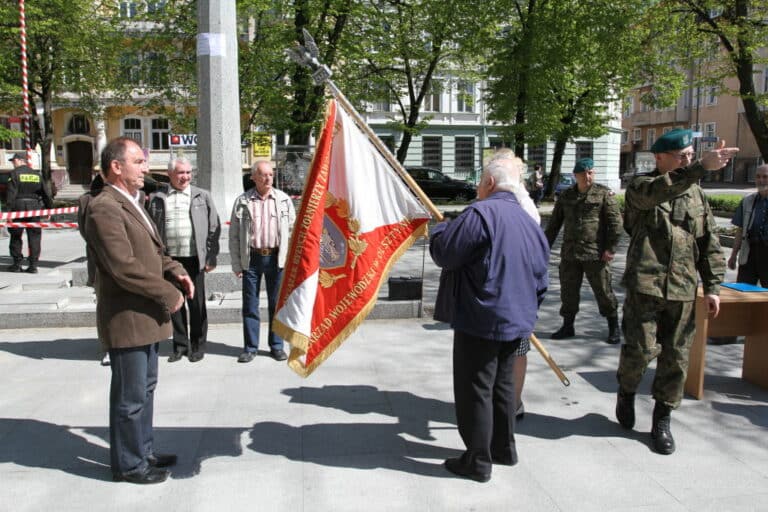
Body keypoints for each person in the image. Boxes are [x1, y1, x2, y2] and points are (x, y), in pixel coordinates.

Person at [430, 152, 549, 482]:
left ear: (489, 182)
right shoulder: (529, 220)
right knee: (503, 386)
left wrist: (440, 229)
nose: (478, 189)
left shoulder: (480, 213)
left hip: (481, 318)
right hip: (517, 319)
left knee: (476, 389)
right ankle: (503, 449)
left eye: (480, 183)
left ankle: (478, 461)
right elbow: (542, 277)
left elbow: (446, 253)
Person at [616, 129, 736, 455]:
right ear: (660, 158)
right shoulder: (641, 187)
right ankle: (626, 390)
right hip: (645, 286)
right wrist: (699, 167)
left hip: (682, 288)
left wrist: (712, 287)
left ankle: (662, 418)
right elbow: (658, 192)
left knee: (676, 358)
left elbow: (709, 244)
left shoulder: (697, 196)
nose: (689, 159)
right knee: (640, 351)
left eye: (691, 154)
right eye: (682, 155)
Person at [85, 137, 194, 484]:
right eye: (138, 161)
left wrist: (175, 269)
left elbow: (151, 251)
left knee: (145, 388)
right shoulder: (105, 206)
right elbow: (123, 266)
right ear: (116, 167)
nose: (146, 167)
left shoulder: (132, 200)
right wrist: (167, 293)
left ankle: (143, 450)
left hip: (144, 315)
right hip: (127, 316)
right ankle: (129, 465)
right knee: (130, 398)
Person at [148, 157, 220, 363]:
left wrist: (211, 255)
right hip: (170, 260)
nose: (185, 177)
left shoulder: (202, 196)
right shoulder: (157, 198)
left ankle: (198, 345)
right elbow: (151, 229)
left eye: (188, 172)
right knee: (175, 303)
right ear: (170, 174)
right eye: (181, 173)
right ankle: (180, 345)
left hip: (194, 259)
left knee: (196, 304)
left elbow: (214, 227)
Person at [544, 158, 623, 344]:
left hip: (595, 253)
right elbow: (554, 225)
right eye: (584, 173)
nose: (588, 176)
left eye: (591, 172)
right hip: (570, 253)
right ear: (575, 175)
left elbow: (616, 223)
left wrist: (611, 248)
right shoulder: (566, 196)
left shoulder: (603, 193)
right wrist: (543, 248)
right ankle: (567, 325)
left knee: (603, 291)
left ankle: (613, 326)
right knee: (568, 291)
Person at [229, 160, 296, 363]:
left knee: (277, 305)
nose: (268, 178)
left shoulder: (283, 200)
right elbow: (233, 236)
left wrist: (292, 261)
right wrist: (236, 264)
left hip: (277, 259)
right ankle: (250, 347)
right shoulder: (242, 201)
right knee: (250, 305)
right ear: (254, 177)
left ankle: (276, 346)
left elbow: (293, 232)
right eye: (263, 175)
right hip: (252, 258)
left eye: (270, 174)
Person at [77, 173, 110, 366]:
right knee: (104, 307)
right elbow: (85, 232)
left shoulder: (136, 196)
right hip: (99, 264)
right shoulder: (86, 201)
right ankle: (107, 347)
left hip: (129, 262)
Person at [6, 152, 53, 273]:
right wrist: (49, 209)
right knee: (35, 236)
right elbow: (46, 193)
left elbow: (11, 194)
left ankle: (16, 264)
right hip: (34, 207)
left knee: (16, 235)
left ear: (21, 160)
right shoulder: (36, 174)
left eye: (14, 161)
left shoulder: (14, 174)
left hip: (18, 207)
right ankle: (33, 265)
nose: (13, 163)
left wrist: (8, 212)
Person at [727, 164, 768, 286]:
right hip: (750, 251)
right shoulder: (748, 201)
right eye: (758, 177)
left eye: (765, 177)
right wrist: (733, 255)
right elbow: (740, 230)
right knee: (743, 290)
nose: (761, 180)